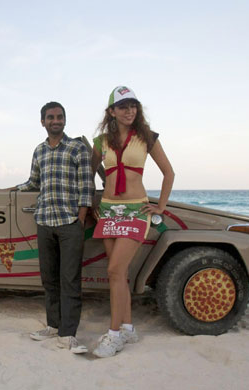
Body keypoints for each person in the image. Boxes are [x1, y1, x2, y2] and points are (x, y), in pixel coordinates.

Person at [0, 102, 94, 354]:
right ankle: (53, 325)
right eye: (50, 117)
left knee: (70, 280)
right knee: (49, 279)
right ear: (43, 122)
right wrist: (7, 191)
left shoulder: (77, 148)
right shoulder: (39, 151)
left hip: (70, 223)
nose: (55, 120)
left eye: (59, 117)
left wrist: (80, 219)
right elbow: (32, 182)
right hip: (45, 222)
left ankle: (68, 334)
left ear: (65, 120)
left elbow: (86, 187)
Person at [90, 86, 175, 358]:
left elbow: (169, 173)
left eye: (133, 106)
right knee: (119, 274)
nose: (129, 111)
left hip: (136, 210)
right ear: (112, 111)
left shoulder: (147, 138)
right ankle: (127, 328)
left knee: (115, 271)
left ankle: (113, 335)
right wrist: (92, 203)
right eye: (123, 106)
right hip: (108, 210)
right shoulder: (101, 142)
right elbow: (89, 175)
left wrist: (160, 206)